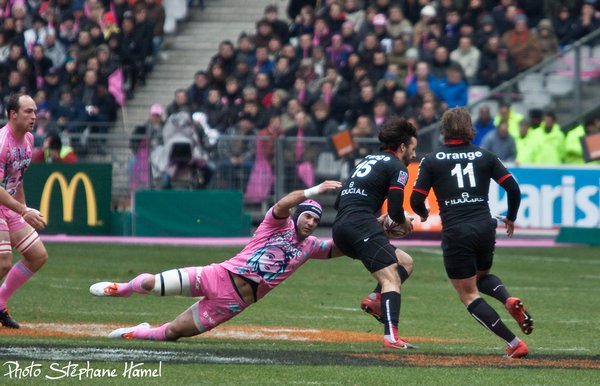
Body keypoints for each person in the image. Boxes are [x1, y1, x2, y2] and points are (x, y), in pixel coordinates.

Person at [90, 181, 343, 341]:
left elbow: (337, 248)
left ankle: (135, 332)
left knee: (173, 333)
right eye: (308, 216)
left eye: (316, 221)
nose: (311, 223)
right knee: (150, 285)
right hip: (218, 275)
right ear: (298, 215)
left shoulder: (310, 247)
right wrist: (313, 191)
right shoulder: (277, 224)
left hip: (233, 303)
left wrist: (373, 230)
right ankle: (122, 289)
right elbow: (283, 203)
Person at [409, 107, 533, 359]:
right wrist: (511, 217)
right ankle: (508, 300)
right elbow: (513, 188)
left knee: (468, 294)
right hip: (485, 226)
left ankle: (513, 343)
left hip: (457, 230)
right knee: (480, 276)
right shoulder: (486, 155)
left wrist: (422, 213)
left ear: (444, 130)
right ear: (469, 128)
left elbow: (415, 199)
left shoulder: (431, 160)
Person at [332, 117, 418, 350]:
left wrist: (376, 220)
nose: (413, 155)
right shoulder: (398, 168)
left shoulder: (366, 159)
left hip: (342, 226)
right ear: (402, 147)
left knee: (405, 262)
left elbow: (339, 201)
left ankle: (375, 299)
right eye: (412, 149)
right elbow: (395, 209)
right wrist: (403, 223)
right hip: (360, 225)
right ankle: (391, 337)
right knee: (390, 277)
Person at [0, 93, 48, 328]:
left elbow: (17, 178)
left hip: (8, 204)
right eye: (28, 111)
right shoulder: (2, 143)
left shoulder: (29, 140)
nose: (34, 116)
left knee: (38, 255)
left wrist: (23, 210)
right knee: (3, 262)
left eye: (35, 111)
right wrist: (22, 209)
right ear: (13, 114)